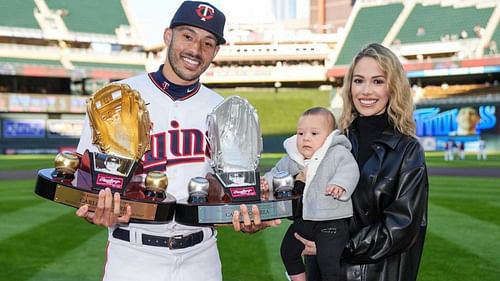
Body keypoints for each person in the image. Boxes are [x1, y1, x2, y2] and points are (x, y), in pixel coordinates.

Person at [234, 43, 429, 281]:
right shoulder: (330, 142)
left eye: (377, 81)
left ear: (393, 87)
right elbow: (305, 204)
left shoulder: (407, 151)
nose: (366, 91)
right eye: (358, 81)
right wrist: (266, 212)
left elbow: (403, 228)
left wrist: (338, 246)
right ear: (349, 87)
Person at [75, 2, 228, 280]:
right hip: (134, 255)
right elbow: (86, 181)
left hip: (202, 257)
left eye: (208, 43)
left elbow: (229, 186)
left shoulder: (223, 108)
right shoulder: (116, 97)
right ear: (168, 36)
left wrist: (250, 212)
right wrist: (94, 210)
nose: (196, 50)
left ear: (215, 52)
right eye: (187, 36)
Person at [261, 107, 359, 281]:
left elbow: (350, 170)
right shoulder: (294, 158)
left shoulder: (337, 153)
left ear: (329, 137)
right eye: (300, 133)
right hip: (305, 219)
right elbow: (278, 172)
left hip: (331, 221)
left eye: (314, 133)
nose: (306, 138)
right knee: (288, 251)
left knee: (328, 261)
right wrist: (266, 182)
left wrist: (340, 184)